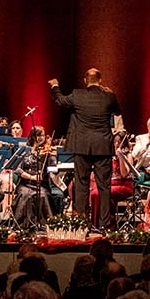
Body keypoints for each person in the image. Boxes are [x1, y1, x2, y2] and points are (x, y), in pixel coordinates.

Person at [49, 68, 124, 228]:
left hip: (82, 145)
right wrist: (110, 93)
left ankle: (82, 224)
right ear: (100, 80)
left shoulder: (77, 95)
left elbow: (60, 101)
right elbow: (117, 111)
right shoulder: (109, 97)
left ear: (85, 81)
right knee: (104, 186)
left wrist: (55, 86)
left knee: (81, 185)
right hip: (102, 146)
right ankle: (104, 225)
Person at [12, 125, 58, 228]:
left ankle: (44, 225)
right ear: (33, 136)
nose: (41, 138)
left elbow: (53, 170)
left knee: (42, 195)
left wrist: (53, 160)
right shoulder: (25, 151)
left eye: (43, 135)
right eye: (38, 135)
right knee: (25, 195)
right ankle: (24, 226)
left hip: (41, 184)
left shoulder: (48, 152)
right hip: (25, 184)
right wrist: (31, 177)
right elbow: (18, 169)